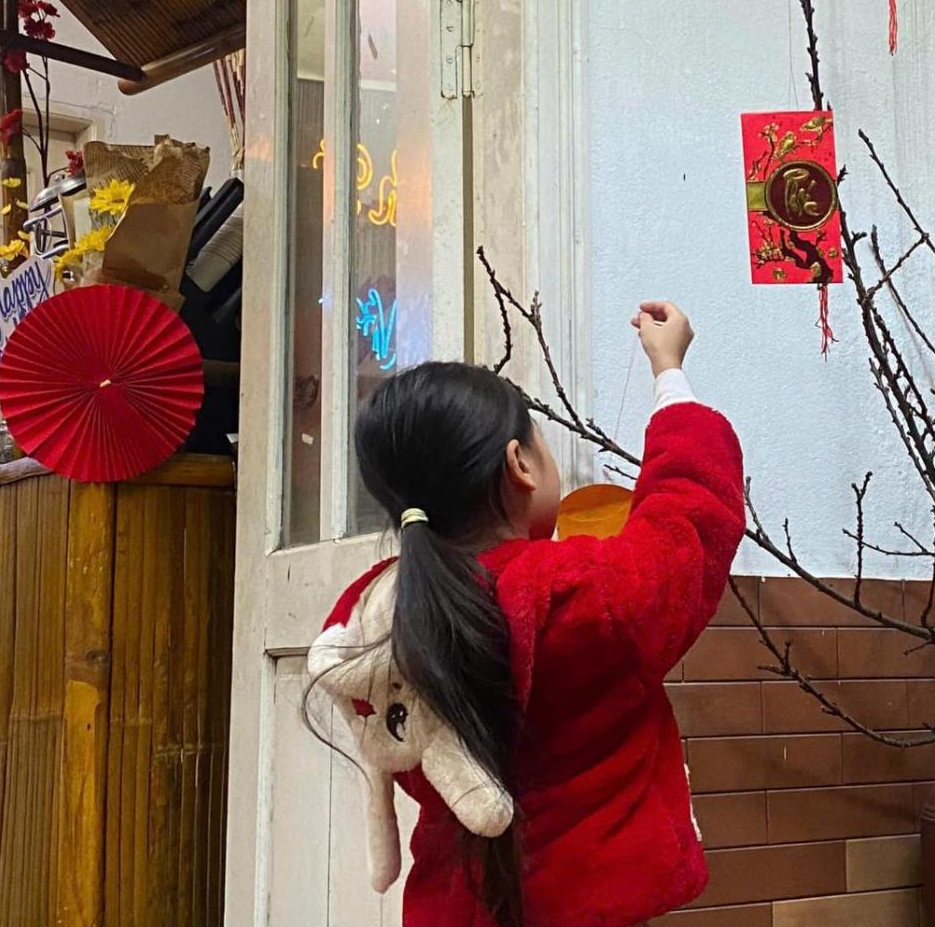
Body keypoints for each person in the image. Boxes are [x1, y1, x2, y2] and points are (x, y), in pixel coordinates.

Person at [308, 301, 745, 926]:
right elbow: (687, 526)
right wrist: (669, 375)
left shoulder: (369, 617)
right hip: (589, 908)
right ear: (519, 464)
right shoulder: (576, 594)